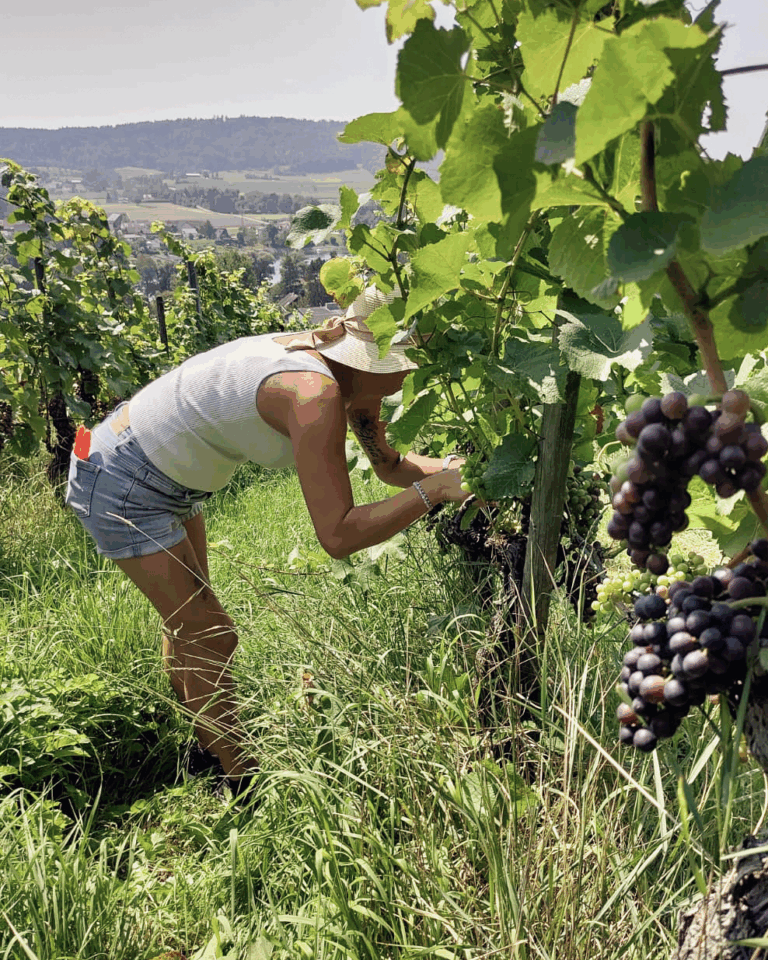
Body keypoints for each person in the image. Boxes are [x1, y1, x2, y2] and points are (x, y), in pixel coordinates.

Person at [65, 287, 469, 792]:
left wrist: (455, 471)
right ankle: (241, 780)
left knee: (190, 627)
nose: (408, 376)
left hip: (159, 471)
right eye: (403, 365)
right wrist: (434, 492)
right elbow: (338, 534)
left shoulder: (345, 376)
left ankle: (207, 747)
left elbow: (389, 466)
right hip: (123, 479)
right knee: (212, 634)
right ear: (371, 360)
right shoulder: (313, 394)